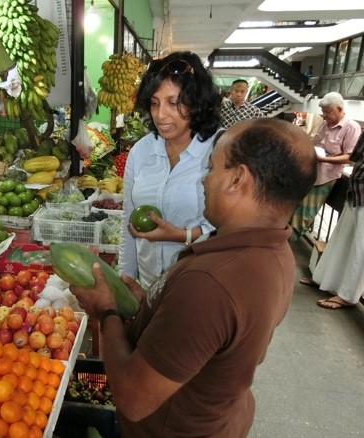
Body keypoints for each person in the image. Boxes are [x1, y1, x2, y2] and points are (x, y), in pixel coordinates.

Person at [69, 118, 318, 437]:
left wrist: (107, 312)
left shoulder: (210, 283)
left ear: (237, 179)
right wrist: (151, 306)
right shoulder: (277, 253)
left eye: (212, 168)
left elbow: (132, 398)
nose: (204, 180)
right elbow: (209, 340)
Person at [119, 51, 222, 290]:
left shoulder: (221, 150)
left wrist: (183, 235)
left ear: (196, 102)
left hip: (198, 284)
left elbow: (236, 227)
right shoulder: (142, 152)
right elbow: (129, 220)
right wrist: (125, 281)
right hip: (148, 283)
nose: (160, 115)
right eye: (154, 103)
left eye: (173, 103)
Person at [300, 131, 364, 309]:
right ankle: (328, 281)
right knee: (343, 239)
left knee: (360, 248)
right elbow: (356, 155)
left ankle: (348, 295)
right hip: (356, 191)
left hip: (359, 191)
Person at [289, 92, 361, 241]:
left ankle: (289, 241)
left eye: (328, 111)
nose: (324, 115)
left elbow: (349, 157)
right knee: (294, 206)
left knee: (305, 213)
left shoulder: (351, 127)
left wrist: (323, 158)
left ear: (340, 109)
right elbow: (315, 142)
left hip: (326, 177)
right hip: (310, 171)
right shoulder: (325, 124)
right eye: (323, 111)